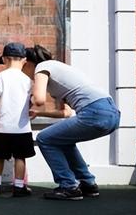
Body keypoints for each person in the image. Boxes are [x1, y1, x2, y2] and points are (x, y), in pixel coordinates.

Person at [25, 45, 121, 200]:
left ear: (28, 63)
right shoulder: (59, 68)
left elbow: (39, 99)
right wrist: (39, 113)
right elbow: (66, 112)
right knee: (63, 141)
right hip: (111, 113)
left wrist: (31, 96)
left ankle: (68, 186)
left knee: (44, 138)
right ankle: (87, 183)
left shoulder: (42, 67)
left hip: (95, 112)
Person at [0, 42, 35, 197]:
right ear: (24, 60)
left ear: (5, 59)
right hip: (22, 126)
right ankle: (19, 186)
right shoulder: (28, 80)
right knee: (20, 157)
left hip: (2, 126)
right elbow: (33, 100)